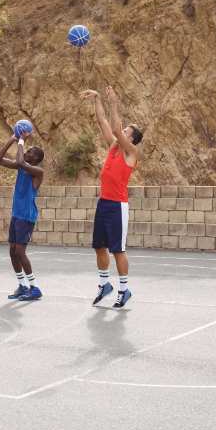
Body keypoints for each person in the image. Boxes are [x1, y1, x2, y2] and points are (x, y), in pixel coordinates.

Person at [81, 86, 144, 308]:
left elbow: (116, 129)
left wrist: (114, 103)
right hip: (104, 203)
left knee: (118, 249)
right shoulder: (113, 147)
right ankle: (104, 285)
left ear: (132, 140)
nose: (122, 131)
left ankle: (124, 290)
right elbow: (103, 122)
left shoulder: (131, 153)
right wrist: (97, 99)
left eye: (127, 131)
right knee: (99, 246)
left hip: (118, 206)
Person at [0, 130, 46, 301]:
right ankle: (22, 285)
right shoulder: (21, 166)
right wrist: (12, 140)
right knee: (12, 251)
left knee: (20, 251)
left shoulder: (37, 171)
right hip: (17, 215)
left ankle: (34, 287)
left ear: (36, 159)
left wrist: (21, 141)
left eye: (32, 151)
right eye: (27, 149)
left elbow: (21, 161)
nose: (28, 152)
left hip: (27, 216)